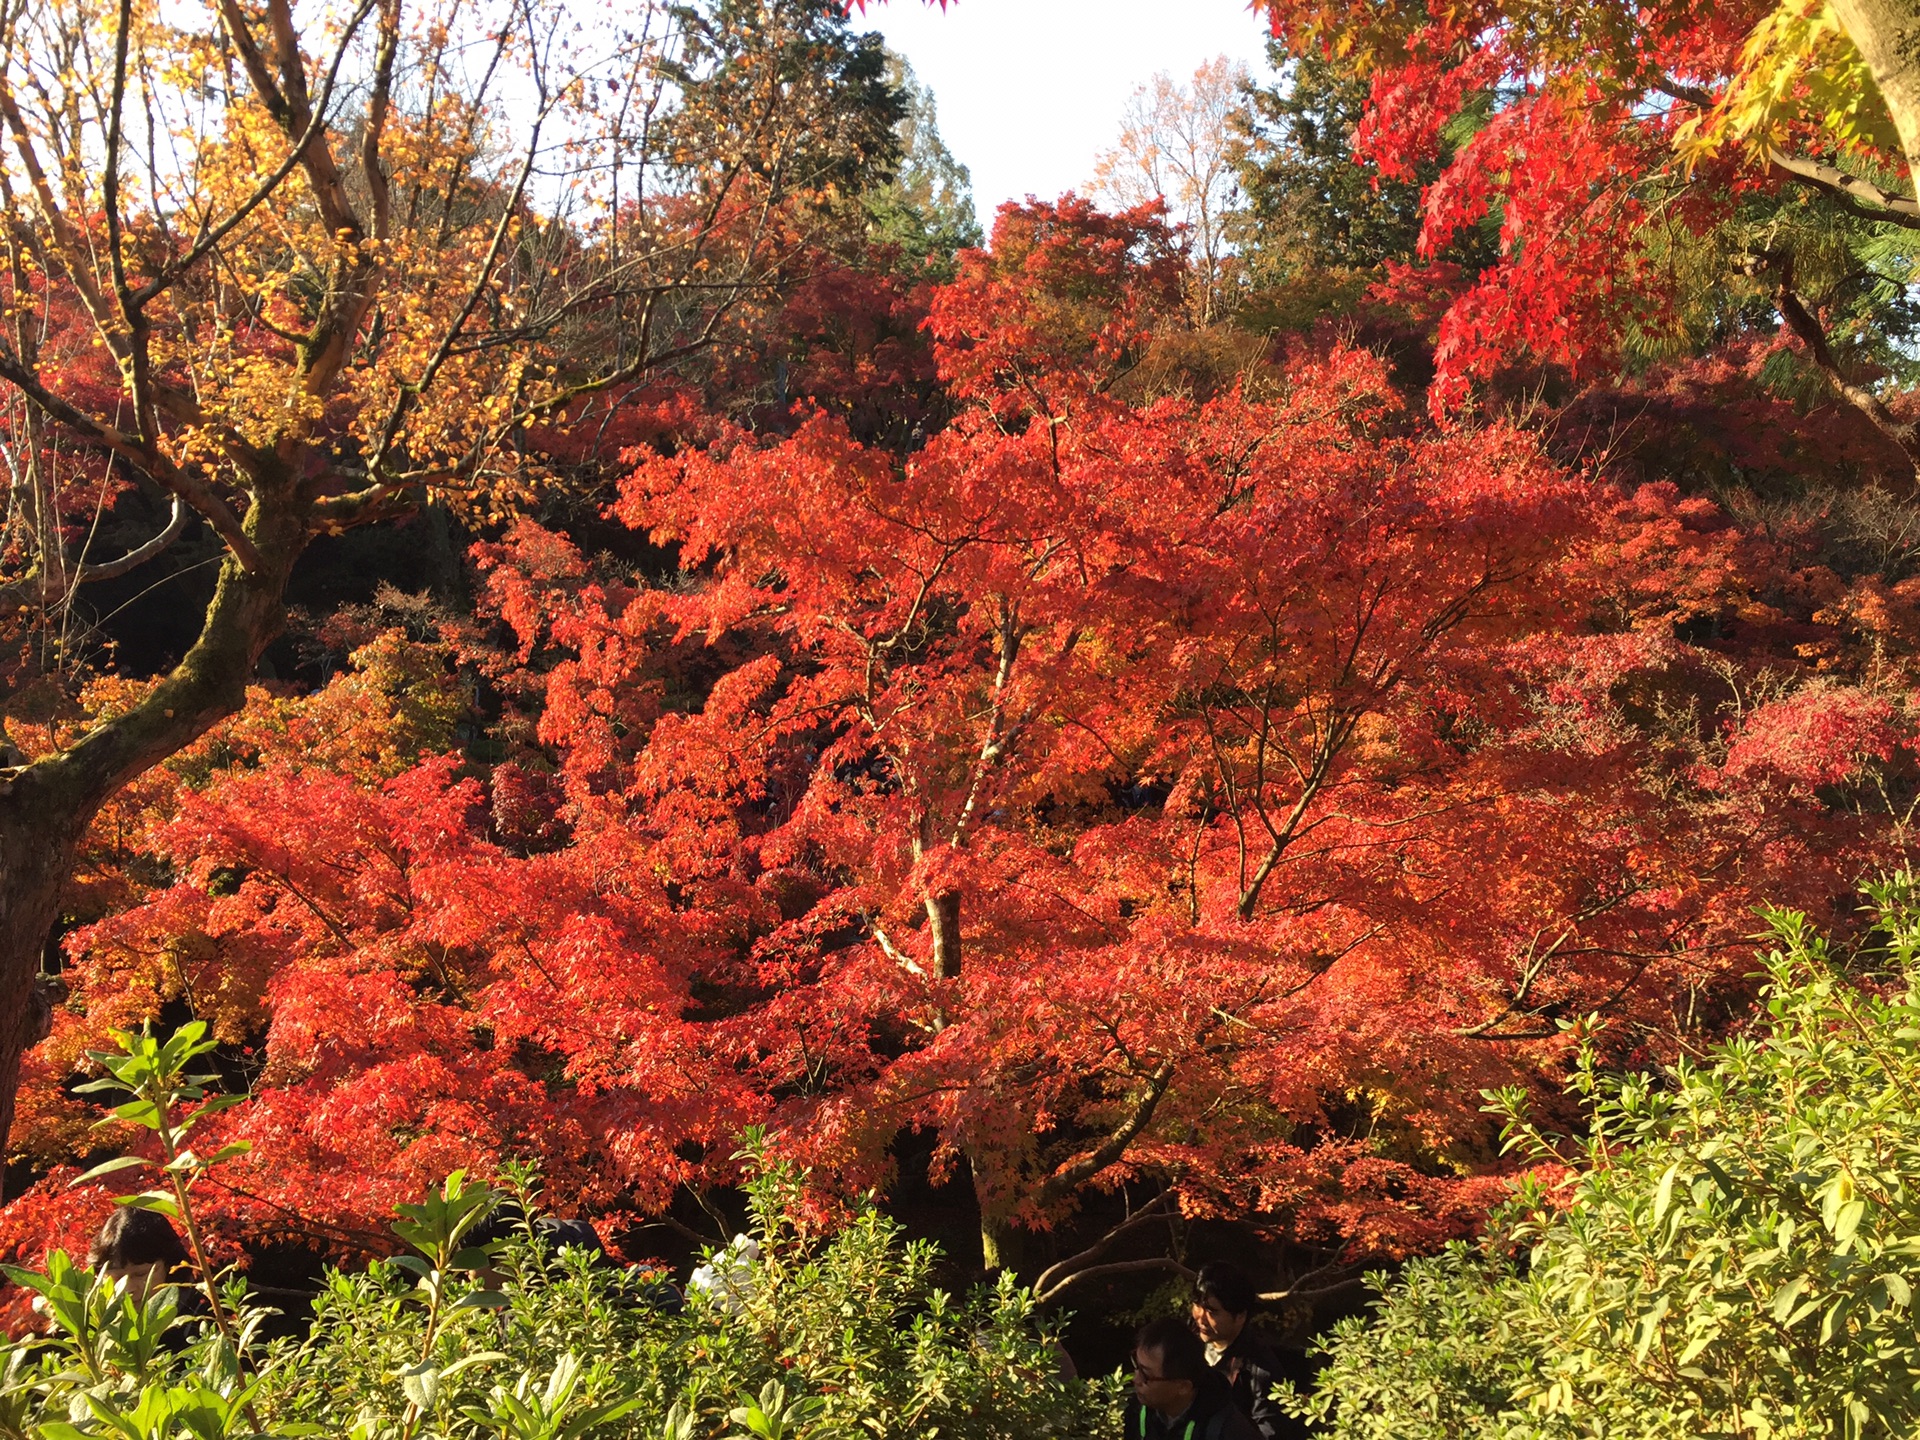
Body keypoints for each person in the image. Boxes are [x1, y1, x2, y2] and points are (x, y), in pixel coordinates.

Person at [1189, 1262, 1289, 1440]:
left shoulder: (1261, 1369)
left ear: (1240, 1316)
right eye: (1197, 1305)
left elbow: (1269, 1434)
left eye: (1212, 1311)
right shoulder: (1187, 1343)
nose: (1200, 1317)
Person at [1126, 1316, 1260, 1440]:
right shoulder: (1139, 1410)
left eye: (1145, 1375)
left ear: (1183, 1387)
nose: (1135, 1379)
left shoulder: (1228, 1431)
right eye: (1137, 1366)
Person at [88, 1208, 196, 1305]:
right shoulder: (87, 1323)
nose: (128, 1288)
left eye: (140, 1274)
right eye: (117, 1277)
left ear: (170, 1266)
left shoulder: (207, 1315)